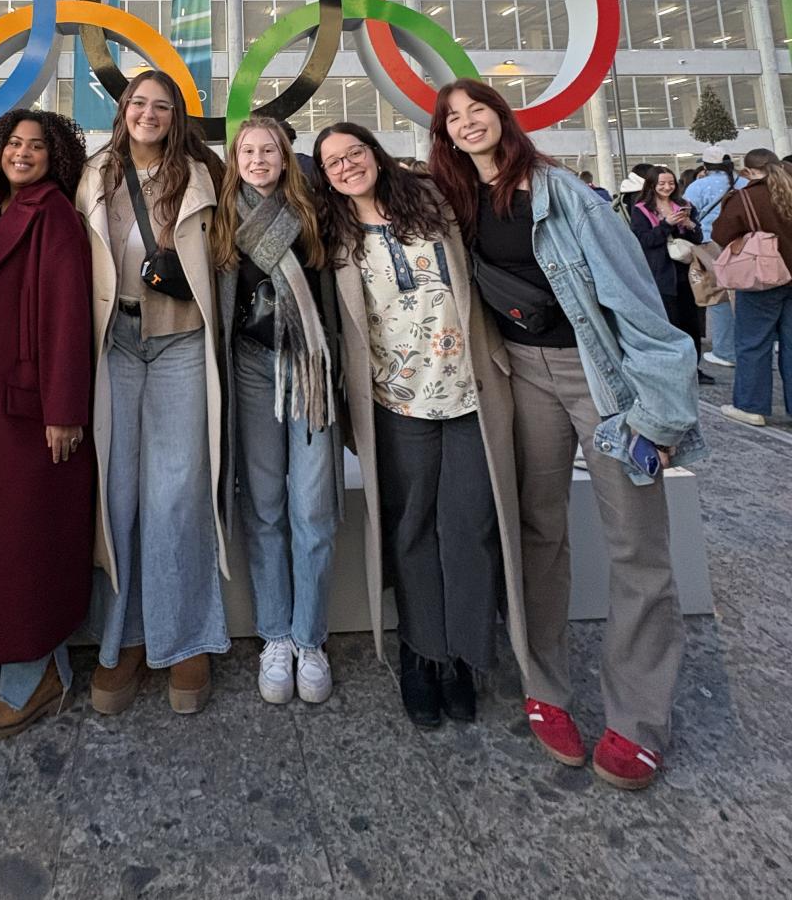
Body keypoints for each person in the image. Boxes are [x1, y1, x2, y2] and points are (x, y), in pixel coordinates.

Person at [430, 80, 703, 791]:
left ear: (501, 116)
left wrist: (661, 413)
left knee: (636, 543)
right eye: (453, 117)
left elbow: (640, 308)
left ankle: (639, 718)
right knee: (536, 531)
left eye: (476, 109)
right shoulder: (458, 204)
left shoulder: (565, 196)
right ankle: (544, 686)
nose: (467, 123)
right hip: (520, 375)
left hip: (599, 376)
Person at [313, 121, 528, 729]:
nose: (348, 165)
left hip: (469, 394)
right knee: (410, 530)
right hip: (395, 403)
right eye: (333, 163)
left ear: (375, 154)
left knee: (469, 527)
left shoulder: (433, 202)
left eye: (355, 152)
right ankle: (421, 652)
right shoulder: (337, 234)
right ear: (326, 178)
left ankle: (463, 654)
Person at [74, 69, 229, 716]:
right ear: (123, 110)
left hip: (181, 339)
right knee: (118, 492)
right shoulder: (91, 174)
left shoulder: (204, 171)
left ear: (176, 116)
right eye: (138, 102)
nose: (148, 113)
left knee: (177, 493)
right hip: (114, 342)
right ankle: (124, 639)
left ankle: (185, 636)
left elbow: (230, 252)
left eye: (161, 105)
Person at [0, 110, 94, 738]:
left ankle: (36, 672)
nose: (23, 153)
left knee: (24, 543)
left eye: (37, 146)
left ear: (55, 155)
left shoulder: (53, 214)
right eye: (14, 143)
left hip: (28, 411)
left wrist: (64, 410)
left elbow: (68, 318)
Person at [212, 116, 342, 705]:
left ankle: (310, 638)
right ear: (235, 158)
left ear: (286, 157)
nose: (258, 159)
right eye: (248, 150)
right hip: (251, 367)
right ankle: (275, 636)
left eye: (269, 150)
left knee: (312, 505)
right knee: (262, 506)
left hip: (309, 369)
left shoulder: (313, 211)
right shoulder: (223, 217)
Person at [713, 148, 792, 428]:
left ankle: (751, 406)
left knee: (753, 343)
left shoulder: (746, 197)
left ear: (748, 170)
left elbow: (721, 233)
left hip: (764, 278)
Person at [629, 166, 708, 382]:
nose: (667, 187)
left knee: (691, 322)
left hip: (687, 273)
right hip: (661, 273)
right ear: (652, 185)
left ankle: (694, 368)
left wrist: (690, 224)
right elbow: (645, 241)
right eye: (662, 183)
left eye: (670, 183)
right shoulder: (641, 209)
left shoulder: (684, 205)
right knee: (670, 322)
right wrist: (666, 225)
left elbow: (697, 238)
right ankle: (673, 368)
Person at [685, 158, 747, 370]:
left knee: (716, 294)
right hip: (742, 243)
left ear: (705, 166)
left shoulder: (699, 185)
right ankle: (750, 344)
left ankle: (724, 350)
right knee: (745, 292)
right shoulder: (743, 182)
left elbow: (687, 211)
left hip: (708, 243)